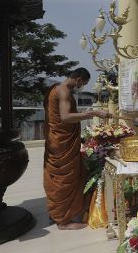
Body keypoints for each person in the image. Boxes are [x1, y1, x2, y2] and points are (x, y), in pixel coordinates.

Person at [43, 67, 110, 230]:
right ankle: (63, 221)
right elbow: (65, 117)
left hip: (57, 140)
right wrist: (93, 113)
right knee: (65, 178)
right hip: (62, 144)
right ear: (78, 79)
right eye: (83, 84)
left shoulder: (56, 89)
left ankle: (57, 213)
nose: (82, 87)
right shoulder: (64, 91)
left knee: (59, 177)